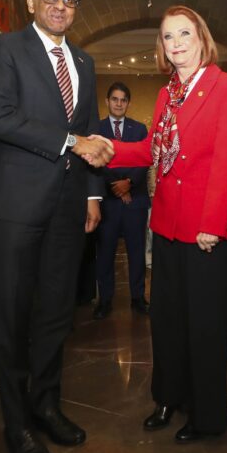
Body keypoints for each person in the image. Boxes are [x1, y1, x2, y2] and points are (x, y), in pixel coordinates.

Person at [0, 0, 113, 453]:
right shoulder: (4, 48)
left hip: (69, 203)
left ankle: (47, 404)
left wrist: (94, 193)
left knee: (57, 314)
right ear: (32, 2)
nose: (61, 5)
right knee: (12, 317)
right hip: (16, 204)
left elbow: (89, 130)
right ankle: (16, 423)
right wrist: (70, 143)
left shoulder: (83, 59)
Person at [108, 5, 227, 443]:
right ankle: (168, 397)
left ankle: (208, 415)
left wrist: (212, 221)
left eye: (185, 33)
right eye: (169, 37)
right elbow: (151, 149)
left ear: (202, 37)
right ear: (162, 48)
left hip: (205, 228)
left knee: (205, 326)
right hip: (166, 224)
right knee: (166, 321)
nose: (177, 42)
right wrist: (106, 148)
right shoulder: (169, 94)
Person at [92, 82, 150, 320]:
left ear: (128, 103)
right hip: (108, 202)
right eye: (114, 99)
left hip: (134, 201)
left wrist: (129, 183)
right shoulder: (96, 129)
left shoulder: (139, 129)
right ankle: (104, 300)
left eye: (123, 100)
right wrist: (117, 186)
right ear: (107, 102)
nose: (118, 103)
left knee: (137, 252)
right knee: (105, 253)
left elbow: (145, 159)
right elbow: (95, 161)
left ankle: (138, 297)